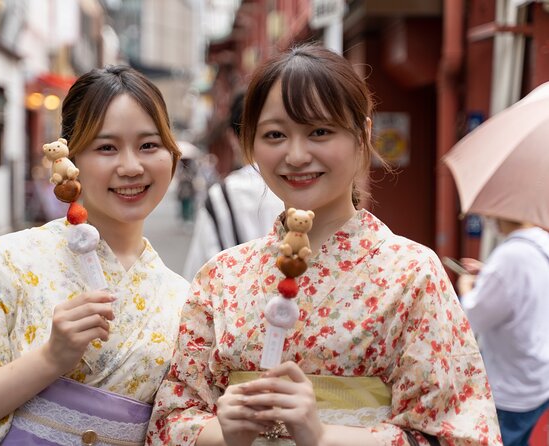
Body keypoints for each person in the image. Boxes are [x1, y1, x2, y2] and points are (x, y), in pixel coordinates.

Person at [147, 44, 501, 445]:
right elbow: (170, 420)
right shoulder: (221, 276)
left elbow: (458, 434)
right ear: (252, 147)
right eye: (275, 135)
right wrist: (223, 430)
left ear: (363, 135)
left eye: (320, 131)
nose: (296, 155)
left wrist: (318, 433)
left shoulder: (412, 273)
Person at [0, 65, 190, 444]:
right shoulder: (10, 262)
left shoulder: (185, 299)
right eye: (106, 147)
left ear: (172, 155)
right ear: (68, 157)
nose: (131, 166)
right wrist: (50, 359)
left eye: (149, 145)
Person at [456, 217, 549, 446]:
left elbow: (471, 318)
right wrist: (489, 274)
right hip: (538, 374)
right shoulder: (542, 242)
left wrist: (466, 288)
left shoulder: (510, 256)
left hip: (511, 386)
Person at [182, 92, 284, 280]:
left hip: (234, 301)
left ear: (231, 136)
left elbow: (197, 273)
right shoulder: (298, 186)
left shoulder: (221, 195)